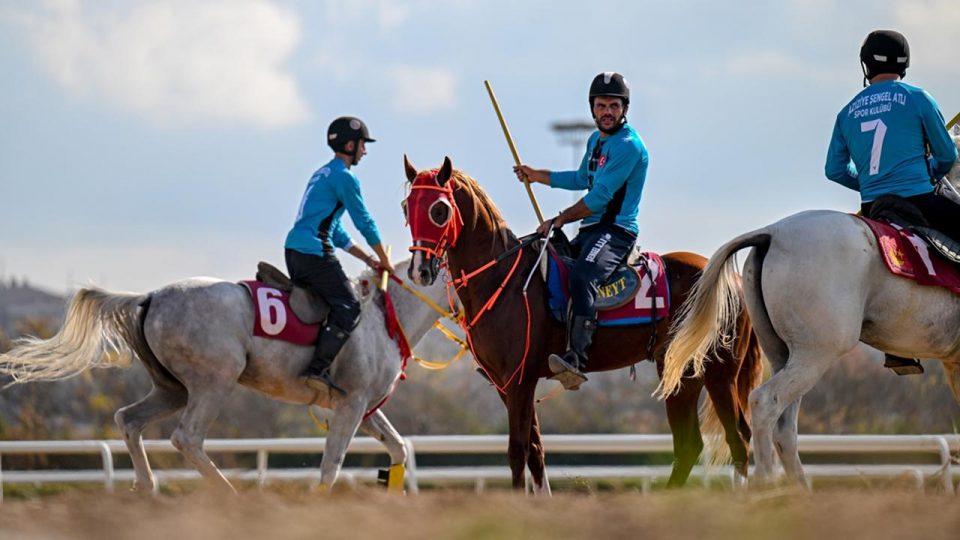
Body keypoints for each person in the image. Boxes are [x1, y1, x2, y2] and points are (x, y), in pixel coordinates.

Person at [825, 30, 959, 375]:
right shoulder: (917, 98)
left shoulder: (847, 111)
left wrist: (869, 183)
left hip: (874, 207)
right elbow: (947, 155)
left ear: (865, 64)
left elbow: (834, 169)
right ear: (905, 63)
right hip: (919, 199)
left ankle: (895, 345)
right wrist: (929, 170)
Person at [514, 72, 649, 389]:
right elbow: (580, 179)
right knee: (543, 264)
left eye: (613, 106)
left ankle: (576, 359)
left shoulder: (628, 147)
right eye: (601, 105)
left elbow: (599, 197)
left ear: (624, 108)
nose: (607, 112)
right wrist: (538, 176)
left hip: (616, 231)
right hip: (591, 229)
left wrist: (559, 219)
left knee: (582, 276)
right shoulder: (595, 140)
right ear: (592, 108)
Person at [285, 116, 395, 394]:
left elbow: (336, 232)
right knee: (349, 305)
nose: (365, 151)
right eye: (362, 145)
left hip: (295, 251)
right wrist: (384, 258)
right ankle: (316, 369)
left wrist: (368, 260)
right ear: (349, 145)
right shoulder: (345, 178)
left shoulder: (322, 173)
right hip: (313, 252)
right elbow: (364, 221)